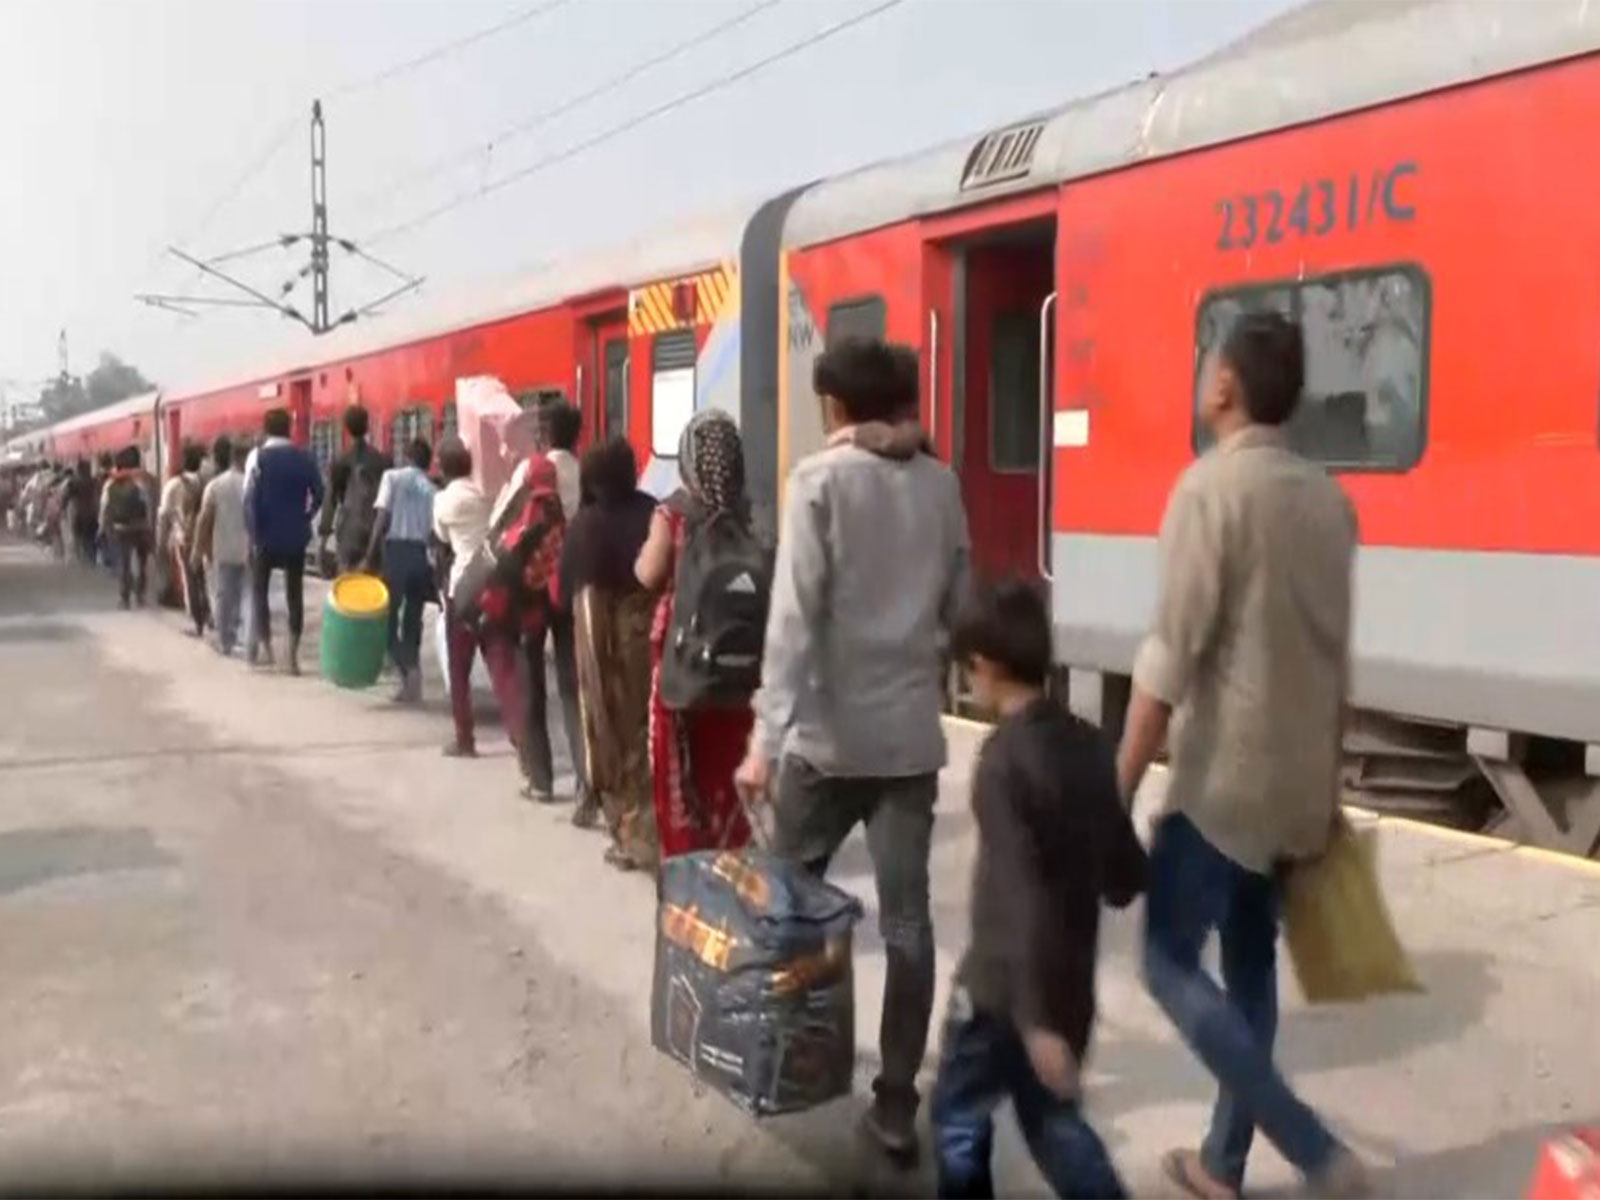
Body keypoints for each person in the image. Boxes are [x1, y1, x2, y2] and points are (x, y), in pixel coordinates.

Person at [1114, 312, 1368, 1200]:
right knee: (1250, 971)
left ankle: (1314, 1149)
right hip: (1298, 787)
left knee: (1165, 962)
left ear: (1225, 386)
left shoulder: (1207, 493)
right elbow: (1338, 666)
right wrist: (1327, 793)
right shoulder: (1330, 501)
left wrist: (1118, 790)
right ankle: (1222, 1166)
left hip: (1222, 789)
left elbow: (1167, 664)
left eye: (1205, 369)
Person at [734, 336, 971, 1160]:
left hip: (825, 747)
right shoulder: (941, 484)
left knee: (786, 904)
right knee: (908, 927)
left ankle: (777, 1057)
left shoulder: (820, 482)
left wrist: (764, 740)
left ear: (835, 407)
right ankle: (898, 1104)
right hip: (908, 744)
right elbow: (960, 605)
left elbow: (793, 622)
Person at [932, 580, 1144, 1200]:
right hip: (1067, 987)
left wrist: (1032, 1021)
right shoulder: (1087, 744)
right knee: (1052, 1123)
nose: (968, 678)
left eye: (968, 665)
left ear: (988, 666)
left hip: (1002, 991)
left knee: (958, 1119)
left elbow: (1018, 891)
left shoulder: (1000, 763)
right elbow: (1125, 874)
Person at [634, 409, 758, 856]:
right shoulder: (747, 517)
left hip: (682, 663)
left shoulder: (673, 514)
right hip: (739, 670)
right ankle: (732, 858)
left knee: (680, 774)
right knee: (728, 764)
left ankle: (690, 871)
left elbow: (648, 575)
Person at [560, 435, 658, 867]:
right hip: (656, 635)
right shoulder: (652, 509)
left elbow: (573, 594)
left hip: (611, 644)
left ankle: (630, 838)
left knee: (610, 735)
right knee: (650, 733)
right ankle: (655, 828)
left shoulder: (588, 523)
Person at [499, 401, 587, 806]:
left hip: (532, 586)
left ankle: (541, 779)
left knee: (531, 677)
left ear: (547, 433)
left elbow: (504, 525)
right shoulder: (584, 472)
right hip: (569, 584)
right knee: (574, 684)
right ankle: (588, 783)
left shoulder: (531, 470)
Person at [432, 436, 530, 764]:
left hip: (462, 587)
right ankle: (521, 737)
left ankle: (465, 739)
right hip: (492, 583)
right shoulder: (487, 494)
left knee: (459, 668)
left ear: (443, 469)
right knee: (501, 665)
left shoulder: (443, 501)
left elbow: (443, 537)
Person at [244, 407, 324, 675]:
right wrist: (307, 515)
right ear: (289, 428)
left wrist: (253, 533)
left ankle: (267, 650)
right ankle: (292, 656)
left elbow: (250, 499)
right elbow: (319, 492)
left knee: (260, 591)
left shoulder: (258, 457)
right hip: (295, 535)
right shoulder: (304, 457)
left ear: (266, 429)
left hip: (265, 535)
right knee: (294, 593)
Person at [364, 437, 438, 703]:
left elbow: (381, 517)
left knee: (386, 619)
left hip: (397, 553)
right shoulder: (432, 489)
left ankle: (407, 669)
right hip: (420, 555)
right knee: (413, 619)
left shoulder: (392, 478)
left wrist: (369, 553)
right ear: (428, 463)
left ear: (407, 457)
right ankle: (412, 681)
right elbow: (434, 533)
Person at [193, 436, 251, 657]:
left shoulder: (215, 486)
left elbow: (204, 520)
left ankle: (226, 640)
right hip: (248, 550)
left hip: (222, 550)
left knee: (224, 596)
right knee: (246, 596)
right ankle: (247, 641)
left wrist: (198, 550)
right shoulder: (253, 482)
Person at [319, 405, 389, 575]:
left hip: (349, 531)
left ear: (347, 428)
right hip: (374, 530)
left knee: (348, 584)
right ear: (367, 426)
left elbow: (330, 502)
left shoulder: (340, 460)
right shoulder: (382, 461)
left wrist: (324, 536)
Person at [160, 444, 210, 636]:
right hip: (206, 537)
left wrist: (162, 539)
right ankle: (209, 613)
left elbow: (164, 514)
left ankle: (197, 622)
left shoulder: (173, 485)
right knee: (204, 578)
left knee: (190, 579)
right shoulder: (207, 482)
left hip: (185, 538)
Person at [101, 445, 154, 609]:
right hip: (140, 526)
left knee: (124, 563)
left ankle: (124, 598)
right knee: (142, 562)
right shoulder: (143, 481)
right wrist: (150, 527)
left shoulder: (111, 482)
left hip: (120, 527)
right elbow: (149, 505)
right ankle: (140, 595)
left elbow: (104, 506)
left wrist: (103, 526)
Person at [67, 460, 98, 564]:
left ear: (78, 470)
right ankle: (91, 559)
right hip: (93, 513)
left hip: (79, 513)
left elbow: (66, 497)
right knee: (91, 538)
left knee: (79, 537)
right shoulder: (94, 481)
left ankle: (83, 560)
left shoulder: (73, 483)